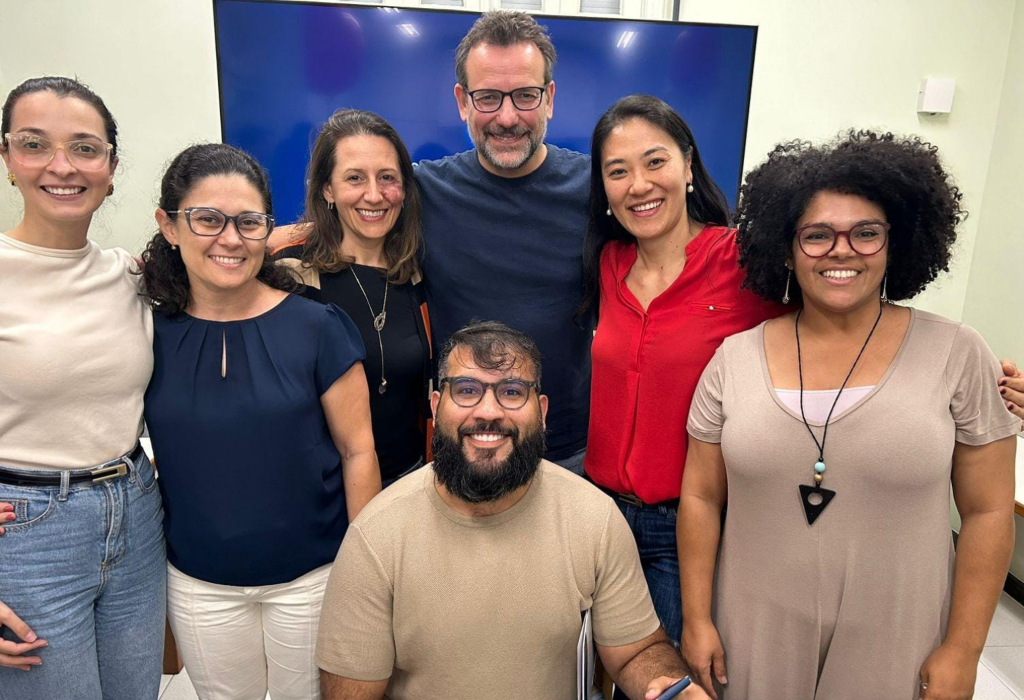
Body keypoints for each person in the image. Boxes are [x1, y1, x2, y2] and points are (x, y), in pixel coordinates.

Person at [679, 131, 1021, 700]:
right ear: (786, 249)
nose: (842, 251)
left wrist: (964, 650)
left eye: (866, 233)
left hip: (899, 635)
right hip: (753, 624)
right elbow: (700, 497)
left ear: (897, 244)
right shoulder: (733, 359)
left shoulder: (959, 354)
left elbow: (988, 511)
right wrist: (697, 619)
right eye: (816, 236)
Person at [269, 10, 592, 473]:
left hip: (565, 450)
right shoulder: (424, 191)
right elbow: (356, 209)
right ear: (462, 101)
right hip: (459, 449)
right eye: (487, 97)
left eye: (524, 95)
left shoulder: (596, 189)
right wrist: (250, 242)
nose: (507, 116)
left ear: (549, 99)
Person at [315, 321, 709, 700]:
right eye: (467, 390)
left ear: (541, 410)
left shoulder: (595, 518)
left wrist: (667, 684)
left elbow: (636, 652)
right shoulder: (375, 535)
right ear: (436, 405)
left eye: (512, 391)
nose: (488, 411)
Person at [140, 143, 380, 700]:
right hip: (199, 583)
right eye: (207, 219)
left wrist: (362, 571)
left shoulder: (318, 327)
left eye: (249, 222)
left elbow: (358, 452)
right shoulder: (147, 333)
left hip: (313, 580)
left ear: (268, 230)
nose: (230, 239)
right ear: (169, 226)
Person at [579, 94, 785, 647]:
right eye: (617, 171)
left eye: (655, 161)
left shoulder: (740, 261)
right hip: (597, 513)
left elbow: (839, 325)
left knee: (660, 678)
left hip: (684, 528)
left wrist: (976, 374)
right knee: (590, 674)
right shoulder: (608, 262)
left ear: (688, 165)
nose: (639, 185)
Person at [0, 77, 165, 698]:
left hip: (136, 517)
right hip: (25, 534)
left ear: (111, 166)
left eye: (85, 148)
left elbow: (222, 247)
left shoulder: (129, 276)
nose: (61, 166)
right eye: (34, 144)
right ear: (8, 159)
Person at [273, 109, 431, 487]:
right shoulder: (290, 275)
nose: (374, 195)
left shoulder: (417, 273)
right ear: (327, 188)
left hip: (410, 481)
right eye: (354, 178)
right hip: (321, 492)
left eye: (388, 178)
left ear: (405, 189)